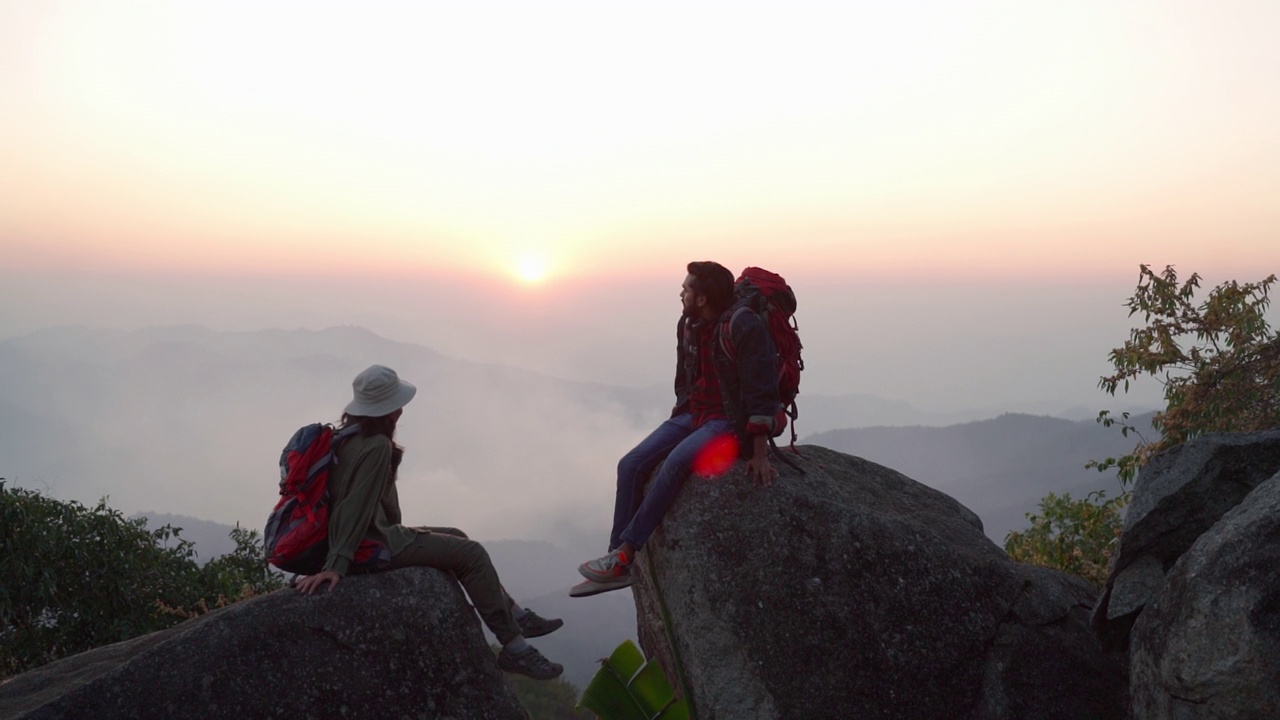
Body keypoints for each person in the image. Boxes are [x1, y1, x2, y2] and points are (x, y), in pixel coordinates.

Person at [295, 364, 564, 680]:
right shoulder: (376, 446)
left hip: (363, 535)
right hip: (368, 543)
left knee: (457, 536)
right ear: (391, 410)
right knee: (472, 554)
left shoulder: (342, 438)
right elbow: (355, 505)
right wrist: (336, 564)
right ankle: (516, 647)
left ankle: (518, 615)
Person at [572, 261, 781, 596]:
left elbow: (761, 391)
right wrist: (678, 419)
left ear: (702, 297)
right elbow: (686, 378)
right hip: (694, 414)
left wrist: (758, 452)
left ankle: (626, 553)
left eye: (686, 288)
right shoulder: (688, 324)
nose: (681, 293)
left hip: (729, 421)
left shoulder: (743, 326)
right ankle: (615, 560)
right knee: (630, 464)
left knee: (675, 465)